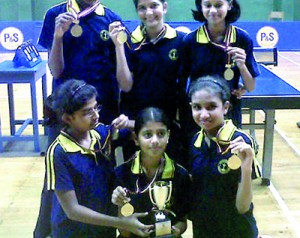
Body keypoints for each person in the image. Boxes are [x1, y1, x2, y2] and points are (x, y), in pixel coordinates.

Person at [34, 0, 122, 237]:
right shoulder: (55, 15)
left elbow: (120, 75)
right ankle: (49, 230)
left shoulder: (111, 19)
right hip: (67, 113)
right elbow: (55, 69)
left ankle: (103, 229)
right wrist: (59, 36)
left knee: (99, 172)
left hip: (100, 112)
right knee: (57, 176)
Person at [40, 79, 152, 238]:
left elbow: (144, 128)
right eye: (87, 112)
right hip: (73, 232)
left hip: (104, 230)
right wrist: (121, 223)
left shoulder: (101, 133)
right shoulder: (58, 152)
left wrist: (127, 123)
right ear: (68, 118)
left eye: (96, 107)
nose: (96, 115)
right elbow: (72, 210)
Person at [109, 0, 187, 163]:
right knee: (138, 175)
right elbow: (126, 85)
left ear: (164, 7)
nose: (149, 12)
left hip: (169, 122)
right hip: (135, 122)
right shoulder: (128, 41)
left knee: (169, 174)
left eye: (154, 6)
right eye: (142, 8)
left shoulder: (181, 41)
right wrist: (119, 46)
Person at [180, 0, 260, 141]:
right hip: (198, 114)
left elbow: (250, 86)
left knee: (227, 160)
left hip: (228, 112)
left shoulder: (242, 39)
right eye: (207, 5)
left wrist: (242, 65)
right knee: (198, 158)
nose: (213, 10)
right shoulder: (190, 41)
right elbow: (181, 83)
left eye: (218, 5)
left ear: (229, 5)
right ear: (200, 6)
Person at [188, 75, 260, 238]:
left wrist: (246, 167)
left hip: (237, 230)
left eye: (211, 107)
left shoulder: (241, 142)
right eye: (197, 107)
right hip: (203, 229)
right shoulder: (195, 142)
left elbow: (243, 207)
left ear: (226, 107)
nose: (204, 114)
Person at [111, 107, 191, 237]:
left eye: (161, 133)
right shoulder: (121, 173)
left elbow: (182, 221)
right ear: (136, 139)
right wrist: (120, 205)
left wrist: (175, 231)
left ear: (168, 136)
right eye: (147, 134)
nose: (155, 141)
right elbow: (123, 232)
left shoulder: (181, 175)